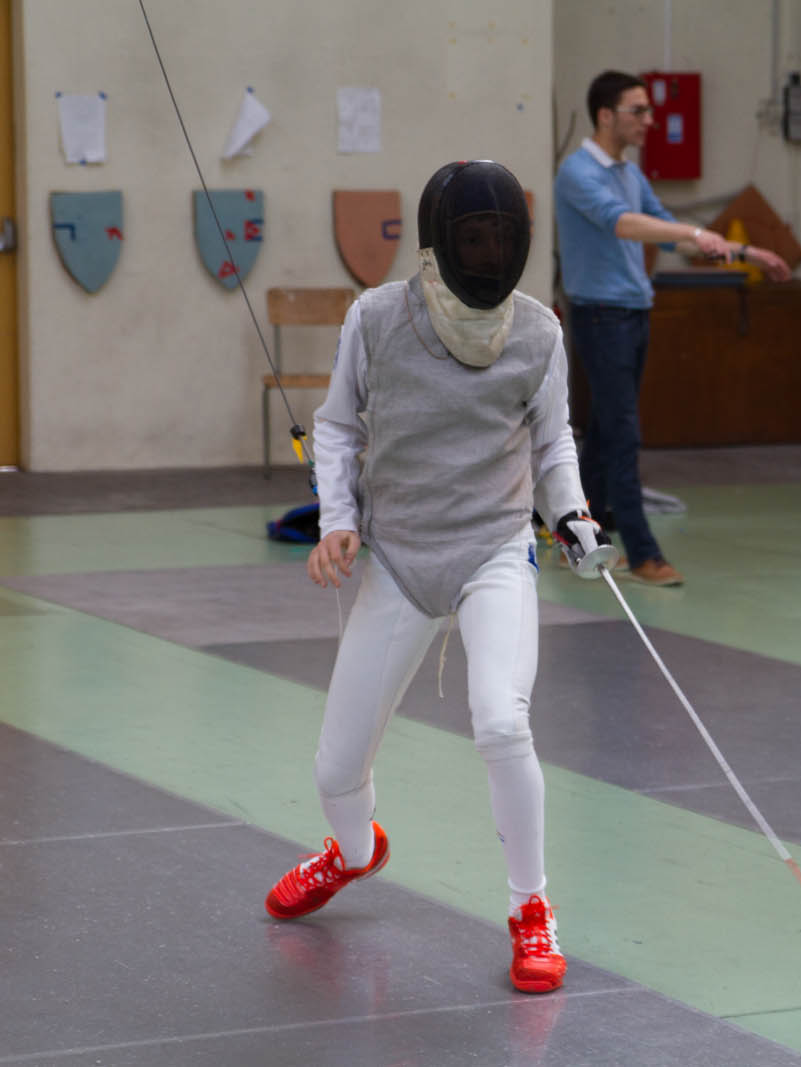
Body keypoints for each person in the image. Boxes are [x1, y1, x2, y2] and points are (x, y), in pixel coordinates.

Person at [263, 160, 617, 996]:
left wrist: (571, 514)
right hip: (398, 556)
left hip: (494, 547)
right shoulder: (378, 317)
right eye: (474, 238)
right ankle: (354, 852)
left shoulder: (538, 332)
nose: (489, 253)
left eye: (502, 237)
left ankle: (531, 908)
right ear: (438, 244)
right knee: (335, 771)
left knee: (500, 720)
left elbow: (553, 442)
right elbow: (336, 427)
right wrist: (339, 520)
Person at [554, 69, 791, 587]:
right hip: (601, 317)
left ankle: (575, 539)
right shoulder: (578, 173)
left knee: (605, 434)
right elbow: (623, 223)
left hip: (633, 314)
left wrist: (743, 251)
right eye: (638, 110)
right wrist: (696, 233)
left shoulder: (629, 174)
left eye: (650, 110)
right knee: (623, 435)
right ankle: (643, 554)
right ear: (606, 116)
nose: (649, 120)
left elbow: (669, 235)